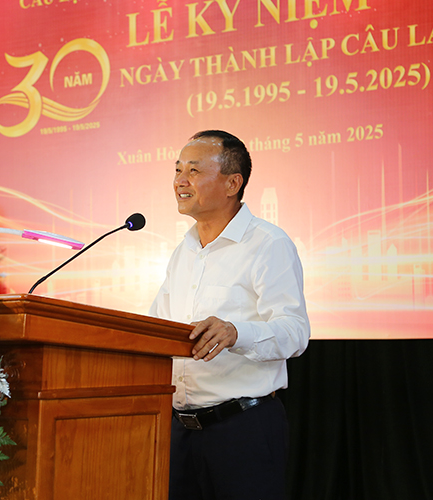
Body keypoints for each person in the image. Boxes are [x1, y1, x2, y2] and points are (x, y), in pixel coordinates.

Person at [149, 130, 310, 500]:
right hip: (179, 431)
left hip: (242, 429)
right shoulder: (184, 251)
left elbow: (295, 331)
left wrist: (237, 333)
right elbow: (157, 326)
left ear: (232, 183)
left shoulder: (268, 243)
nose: (180, 181)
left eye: (193, 170)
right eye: (177, 170)